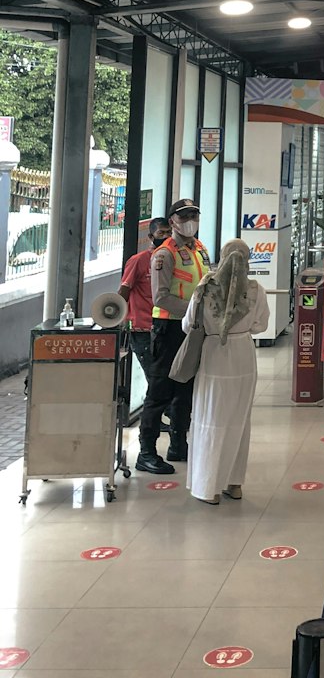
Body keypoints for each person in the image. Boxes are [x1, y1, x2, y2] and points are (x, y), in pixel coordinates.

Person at [183, 238, 269, 505]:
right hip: (243, 356)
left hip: (213, 356)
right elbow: (260, 326)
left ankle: (209, 486)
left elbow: (188, 324)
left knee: (210, 418)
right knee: (239, 420)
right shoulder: (255, 290)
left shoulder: (205, 288)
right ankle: (235, 483)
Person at [135, 199, 212, 476]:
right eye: (184, 216)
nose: (190, 220)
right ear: (172, 222)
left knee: (185, 390)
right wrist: (195, 311)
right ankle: (146, 453)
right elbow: (161, 297)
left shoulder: (200, 249)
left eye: (194, 214)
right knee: (160, 392)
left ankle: (179, 444)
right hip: (168, 329)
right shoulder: (164, 254)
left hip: (191, 329)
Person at [118, 216, 170, 381]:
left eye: (169, 233)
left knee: (165, 379)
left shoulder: (172, 259)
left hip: (164, 327)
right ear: (151, 236)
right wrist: (117, 318)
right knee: (155, 380)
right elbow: (123, 291)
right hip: (143, 331)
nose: (166, 237)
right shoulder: (139, 261)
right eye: (161, 233)